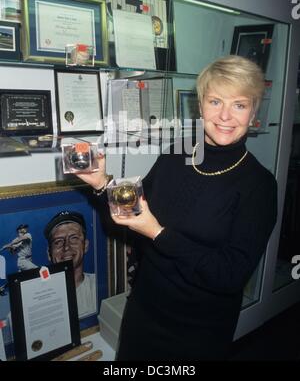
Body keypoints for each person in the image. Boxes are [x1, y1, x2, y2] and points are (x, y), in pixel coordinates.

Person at [76, 55, 278, 360]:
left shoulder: (259, 185)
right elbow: (136, 212)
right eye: (215, 102)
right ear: (200, 106)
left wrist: (158, 233)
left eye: (239, 104)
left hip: (197, 331)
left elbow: (229, 275)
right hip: (144, 310)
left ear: (253, 113)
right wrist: (101, 182)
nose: (225, 116)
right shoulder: (178, 152)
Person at [44, 211, 96, 318]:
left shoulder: (101, 286)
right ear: (49, 253)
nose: (66, 247)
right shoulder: (36, 296)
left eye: (74, 238)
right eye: (58, 241)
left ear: (85, 245)